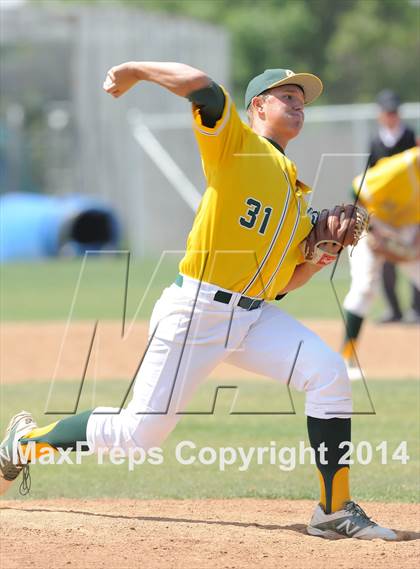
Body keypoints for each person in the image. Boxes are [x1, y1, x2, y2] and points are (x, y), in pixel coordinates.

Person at [0, 62, 396, 540]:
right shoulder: (238, 146)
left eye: (301, 100)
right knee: (135, 437)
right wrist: (134, 71)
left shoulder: (295, 199)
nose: (297, 105)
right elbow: (202, 88)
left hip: (252, 317)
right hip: (197, 312)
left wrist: (317, 258)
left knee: (329, 373)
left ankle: (333, 511)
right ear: (258, 107)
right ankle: (24, 443)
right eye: (285, 96)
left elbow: (279, 285)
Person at [342, 147, 420, 380]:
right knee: (364, 287)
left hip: (405, 231)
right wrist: (374, 232)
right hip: (372, 226)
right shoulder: (403, 166)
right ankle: (346, 358)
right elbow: (355, 191)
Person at [369, 90, 418, 324]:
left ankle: (416, 310)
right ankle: (394, 310)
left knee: (414, 256)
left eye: (395, 112)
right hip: (385, 212)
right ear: (380, 114)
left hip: (409, 208)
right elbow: (370, 176)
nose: (391, 116)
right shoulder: (376, 141)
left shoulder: (409, 136)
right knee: (387, 258)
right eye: (387, 112)